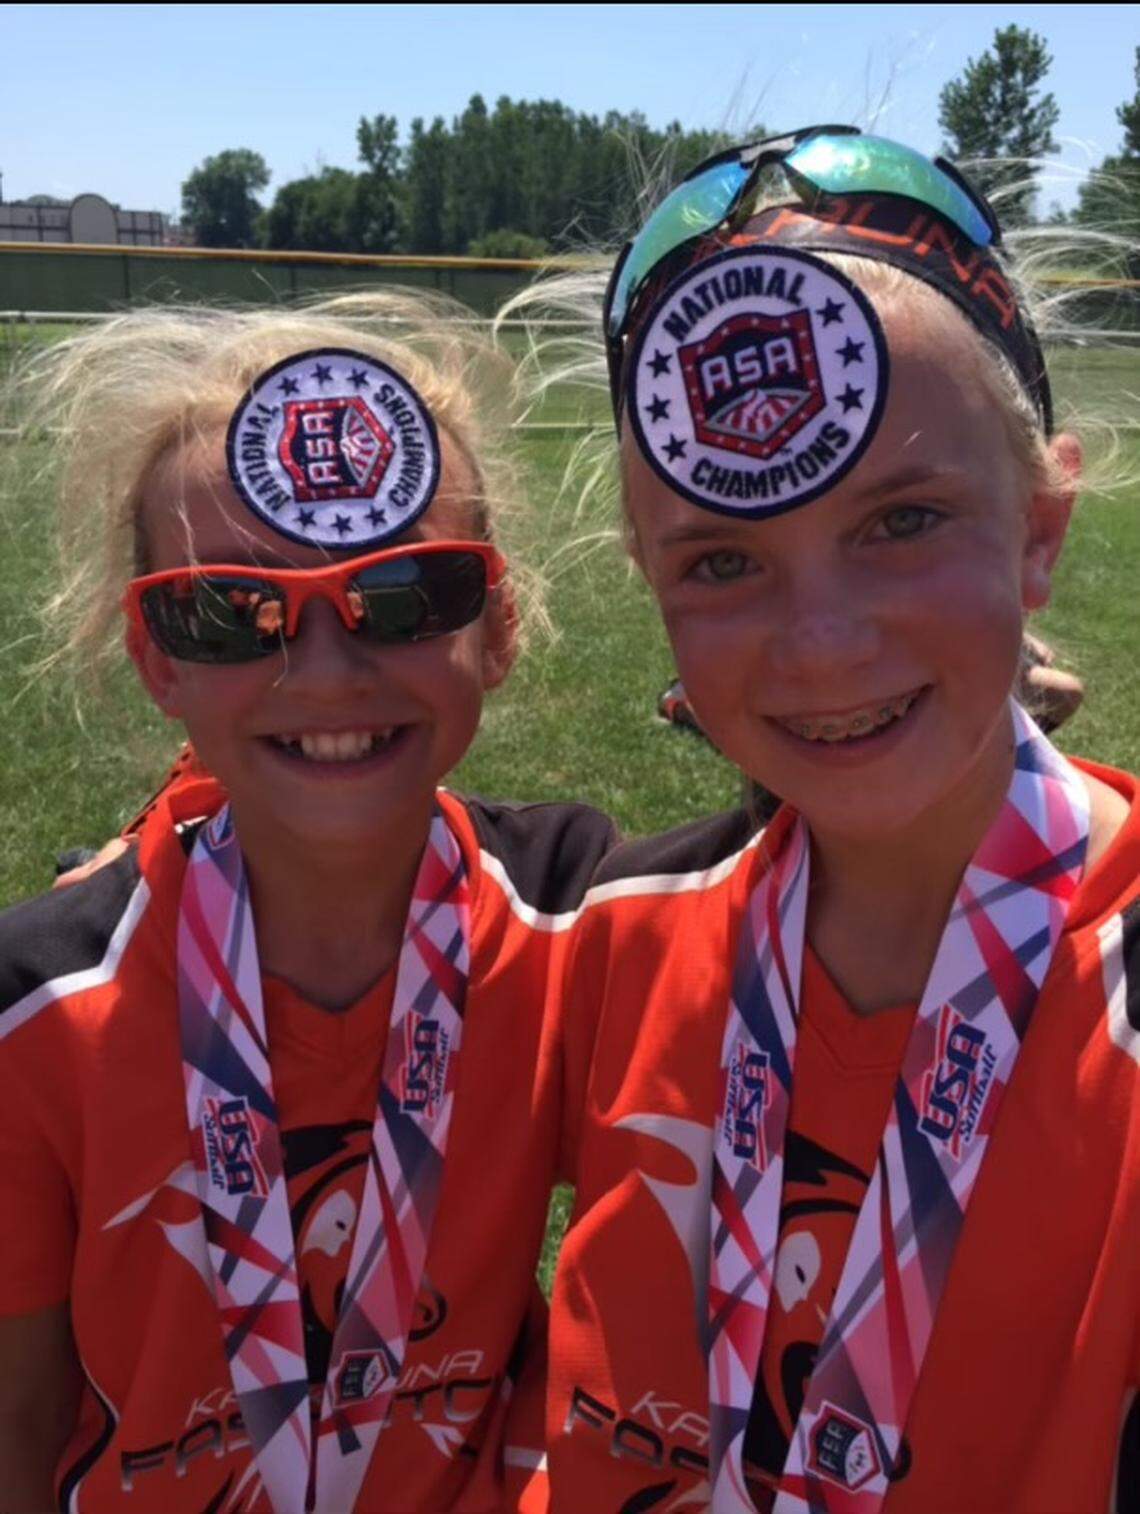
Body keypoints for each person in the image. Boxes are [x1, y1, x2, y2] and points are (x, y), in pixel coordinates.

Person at [512, 128, 1140, 1511]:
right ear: (651, 584)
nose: (821, 645)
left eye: (902, 523)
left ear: (1041, 526)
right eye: (726, 561)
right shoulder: (616, 948)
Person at [0, 293, 615, 1512]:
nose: (326, 667)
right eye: (232, 609)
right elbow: (16, 1418)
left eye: (405, 596)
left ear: (499, 627)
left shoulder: (577, 918)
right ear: (156, 657)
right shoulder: (38, 1004)